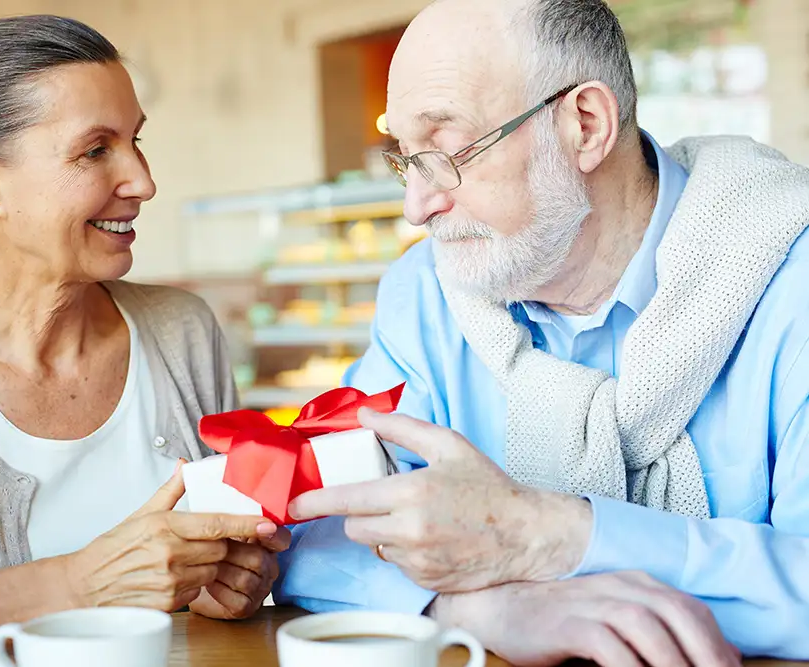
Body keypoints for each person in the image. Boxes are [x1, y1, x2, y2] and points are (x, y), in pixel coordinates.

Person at [273, 1, 809, 666]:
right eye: (405, 160)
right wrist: (477, 605)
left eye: (444, 151)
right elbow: (309, 525)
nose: (416, 206)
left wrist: (552, 535)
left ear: (586, 125)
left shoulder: (792, 280)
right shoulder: (425, 297)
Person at [0, 15, 287, 667]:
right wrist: (78, 583)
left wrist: (232, 581)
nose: (143, 181)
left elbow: (232, 565)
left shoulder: (184, 331)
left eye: (135, 141)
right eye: (95, 149)